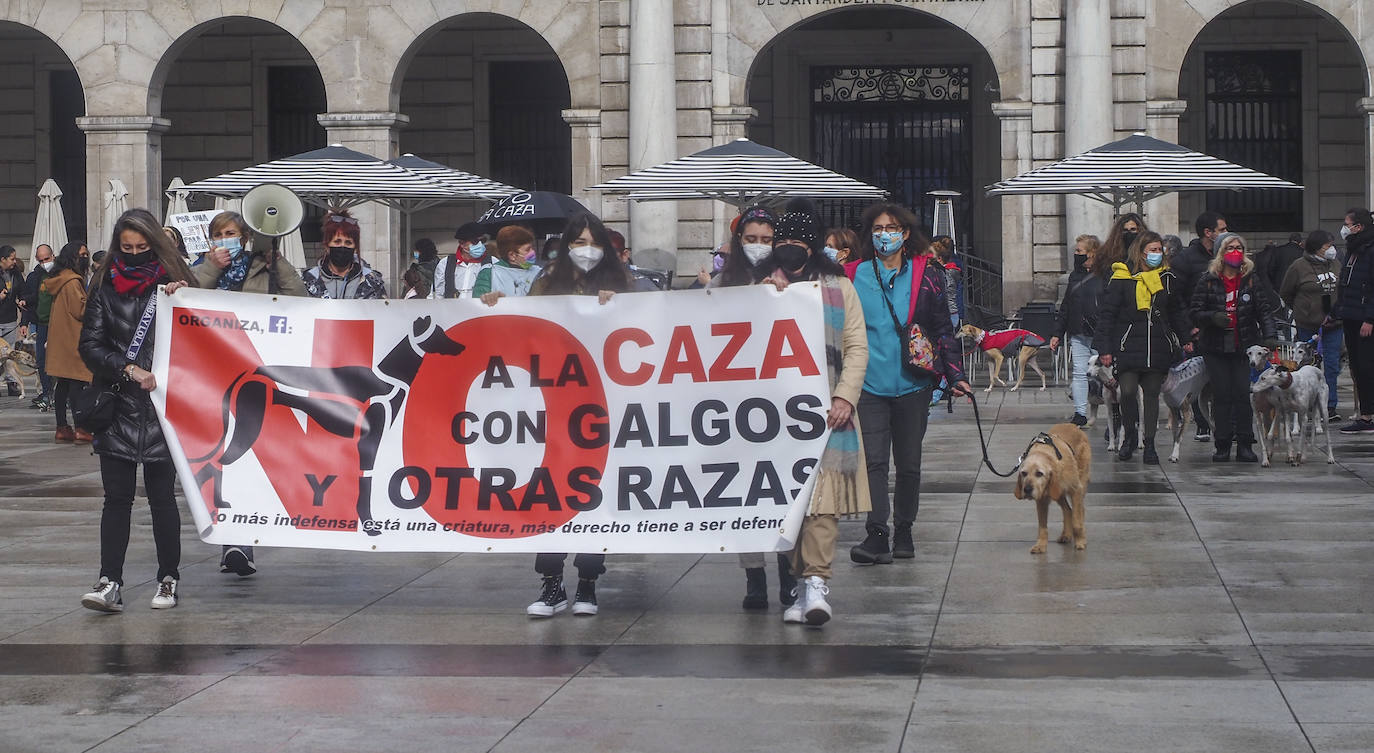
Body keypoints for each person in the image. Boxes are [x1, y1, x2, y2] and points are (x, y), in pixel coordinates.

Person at [483, 213, 632, 617]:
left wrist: (618, 308)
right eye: (579, 242)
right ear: (566, 246)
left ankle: (587, 583)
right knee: (548, 493)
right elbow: (522, 328)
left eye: (594, 242)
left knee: (595, 495)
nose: (587, 250)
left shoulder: (623, 285)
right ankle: (551, 583)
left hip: (604, 409)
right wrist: (497, 307)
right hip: (554, 407)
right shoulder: (546, 282)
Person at [78, 208, 196, 612]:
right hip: (118, 405)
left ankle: (168, 578)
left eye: (142, 248)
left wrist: (185, 300)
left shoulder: (176, 282)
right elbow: (89, 346)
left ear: (156, 246)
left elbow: (205, 336)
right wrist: (127, 368)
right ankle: (110, 580)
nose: (133, 254)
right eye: (126, 248)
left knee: (163, 499)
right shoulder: (103, 286)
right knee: (117, 499)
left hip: (164, 408)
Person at [758, 200, 870, 626]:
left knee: (821, 505)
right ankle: (796, 581)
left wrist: (845, 396)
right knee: (785, 505)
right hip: (770, 420)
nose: (789, 248)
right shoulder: (760, 285)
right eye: (781, 241)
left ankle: (816, 583)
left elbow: (857, 346)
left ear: (813, 246)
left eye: (798, 241)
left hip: (826, 414)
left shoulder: (840, 288)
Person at [848, 202, 970, 564]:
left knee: (909, 463)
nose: (885, 235)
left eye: (893, 228)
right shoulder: (851, 274)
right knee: (872, 462)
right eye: (879, 228)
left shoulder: (926, 272)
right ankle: (876, 533)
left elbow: (942, 329)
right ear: (871, 233)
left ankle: (904, 529)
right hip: (868, 385)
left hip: (913, 384)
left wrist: (956, 375)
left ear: (905, 234)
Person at [194, 210, 308, 576]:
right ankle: (234, 541)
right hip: (213, 373)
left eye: (233, 233)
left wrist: (277, 260)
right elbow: (187, 299)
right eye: (220, 234)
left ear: (245, 237)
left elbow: (299, 297)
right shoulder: (198, 267)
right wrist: (211, 267)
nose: (227, 238)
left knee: (248, 451)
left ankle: (243, 541)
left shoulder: (265, 267)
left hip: (255, 373)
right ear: (211, 239)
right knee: (227, 455)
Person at [704, 205, 799, 609]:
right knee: (743, 493)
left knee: (782, 493)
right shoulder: (724, 282)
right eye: (751, 239)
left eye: (766, 240)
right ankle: (754, 576)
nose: (759, 247)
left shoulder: (793, 281)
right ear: (738, 242)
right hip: (735, 406)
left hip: (781, 403)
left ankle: (788, 574)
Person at [1093, 231, 1192, 464]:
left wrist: (1185, 335)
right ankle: (1128, 436)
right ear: (1141, 251)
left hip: (1157, 345)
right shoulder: (1122, 277)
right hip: (1129, 345)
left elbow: (1176, 311)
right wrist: (1104, 348)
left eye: (1160, 250)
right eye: (1153, 250)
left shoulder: (1167, 278)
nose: (1157, 254)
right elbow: (1107, 314)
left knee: (1151, 395)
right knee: (1126, 392)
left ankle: (1149, 443)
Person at [1191, 232, 1278, 462]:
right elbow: (1195, 312)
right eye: (1230, 248)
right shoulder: (1208, 280)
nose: (1235, 252)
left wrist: (1269, 335)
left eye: (1239, 248)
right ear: (1221, 252)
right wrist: (1212, 317)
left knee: (1242, 394)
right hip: (1215, 346)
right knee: (1222, 396)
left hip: (1244, 346)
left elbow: (1264, 310)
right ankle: (1222, 443)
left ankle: (1245, 443)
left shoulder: (1251, 279)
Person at [1173, 211, 1229, 442]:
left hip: (1223, 329)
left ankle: (1222, 424)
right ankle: (1202, 423)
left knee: (1222, 381)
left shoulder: (1229, 256)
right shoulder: (1186, 259)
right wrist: (1188, 328)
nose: (1227, 233)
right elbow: (1176, 298)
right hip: (1198, 331)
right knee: (1198, 381)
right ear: (1209, 233)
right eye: (1222, 229)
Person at [1280, 230, 1343, 422]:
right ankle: (1304, 401)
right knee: (1306, 366)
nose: (1331, 249)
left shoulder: (1336, 264)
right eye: (1327, 246)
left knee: (1332, 365)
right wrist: (1303, 310)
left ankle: (1329, 405)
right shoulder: (1298, 267)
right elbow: (1286, 293)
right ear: (1317, 247)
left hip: (1334, 324)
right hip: (1308, 324)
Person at [42, 242, 94, 444]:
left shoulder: (59, 279)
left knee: (63, 384)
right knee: (77, 384)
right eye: (82, 255)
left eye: (86, 254)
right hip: (74, 339)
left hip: (61, 339)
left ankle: (62, 427)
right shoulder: (72, 281)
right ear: (72, 257)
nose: (85, 258)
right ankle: (81, 427)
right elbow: (79, 310)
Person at [1050, 234, 1104, 427]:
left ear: (1092, 252)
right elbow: (1066, 306)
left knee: (1106, 375)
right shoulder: (1075, 276)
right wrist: (1057, 333)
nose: (1076, 254)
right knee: (1079, 373)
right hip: (1078, 332)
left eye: (1079, 251)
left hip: (1099, 333)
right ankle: (1080, 412)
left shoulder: (1105, 274)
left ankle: (1118, 414)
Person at [1335, 208, 1374, 434]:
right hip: (1350, 315)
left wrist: (1370, 317)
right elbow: (1346, 285)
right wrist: (1336, 310)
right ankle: (1365, 414)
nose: (1344, 228)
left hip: (1364, 318)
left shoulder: (1369, 250)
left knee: (1367, 366)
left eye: (1346, 224)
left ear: (1358, 227)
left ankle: (1368, 415)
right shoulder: (1353, 250)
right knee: (1358, 367)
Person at [302, 209, 387, 299]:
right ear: (327, 245)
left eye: (348, 243)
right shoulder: (309, 279)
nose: (342, 246)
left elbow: (383, 310)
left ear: (355, 247)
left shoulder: (372, 281)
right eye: (337, 241)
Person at [22, 243, 56, 409]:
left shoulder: (60, 274)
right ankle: (47, 393)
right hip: (41, 323)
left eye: (47, 259)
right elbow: (30, 299)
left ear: (53, 256)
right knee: (42, 361)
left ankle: (59, 395)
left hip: (57, 325)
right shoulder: (35, 276)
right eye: (41, 259)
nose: (44, 262)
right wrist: (24, 321)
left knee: (58, 361)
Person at [473, 225, 540, 299]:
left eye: (532, 247)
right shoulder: (488, 273)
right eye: (527, 250)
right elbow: (479, 305)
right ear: (512, 255)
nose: (533, 252)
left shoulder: (540, 273)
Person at [431, 222, 489, 299]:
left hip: (480, 310)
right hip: (452, 309)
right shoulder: (445, 263)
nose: (480, 245)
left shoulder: (492, 263)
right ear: (462, 244)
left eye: (483, 241)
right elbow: (438, 294)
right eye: (475, 242)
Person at [0, 245, 26, 396]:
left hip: (10, 319)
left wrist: (22, 299)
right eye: (12, 258)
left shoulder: (15, 273)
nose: (14, 261)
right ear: (2, 259)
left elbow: (22, 290)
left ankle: (11, 382)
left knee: (9, 354)